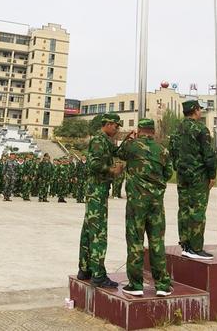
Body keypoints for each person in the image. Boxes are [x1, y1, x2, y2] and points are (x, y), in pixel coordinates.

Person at [117, 118, 174, 296]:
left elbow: (118, 153)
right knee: (157, 242)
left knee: (135, 241)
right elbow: (169, 173)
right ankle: (162, 285)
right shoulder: (162, 150)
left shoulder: (132, 146)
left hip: (137, 203)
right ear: (154, 131)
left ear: (139, 130)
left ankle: (136, 285)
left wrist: (129, 138)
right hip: (156, 203)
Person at [77, 112, 124, 288]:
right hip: (96, 190)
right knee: (98, 232)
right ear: (109, 124)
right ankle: (98, 274)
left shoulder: (106, 141)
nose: (118, 129)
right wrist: (112, 170)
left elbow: (117, 151)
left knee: (88, 230)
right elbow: (93, 164)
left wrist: (128, 139)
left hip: (97, 190)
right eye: (116, 126)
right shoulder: (99, 140)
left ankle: (85, 269)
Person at [169, 99, 216, 260]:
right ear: (195, 110)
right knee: (197, 210)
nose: (200, 112)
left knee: (184, 209)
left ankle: (185, 244)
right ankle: (195, 248)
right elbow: (209, 155)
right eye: (199, 109)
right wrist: (212, 175)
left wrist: (179, 167)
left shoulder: (177, 130)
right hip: (198, 176)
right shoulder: (201, 129)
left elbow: (172, 152)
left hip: (183, 176)